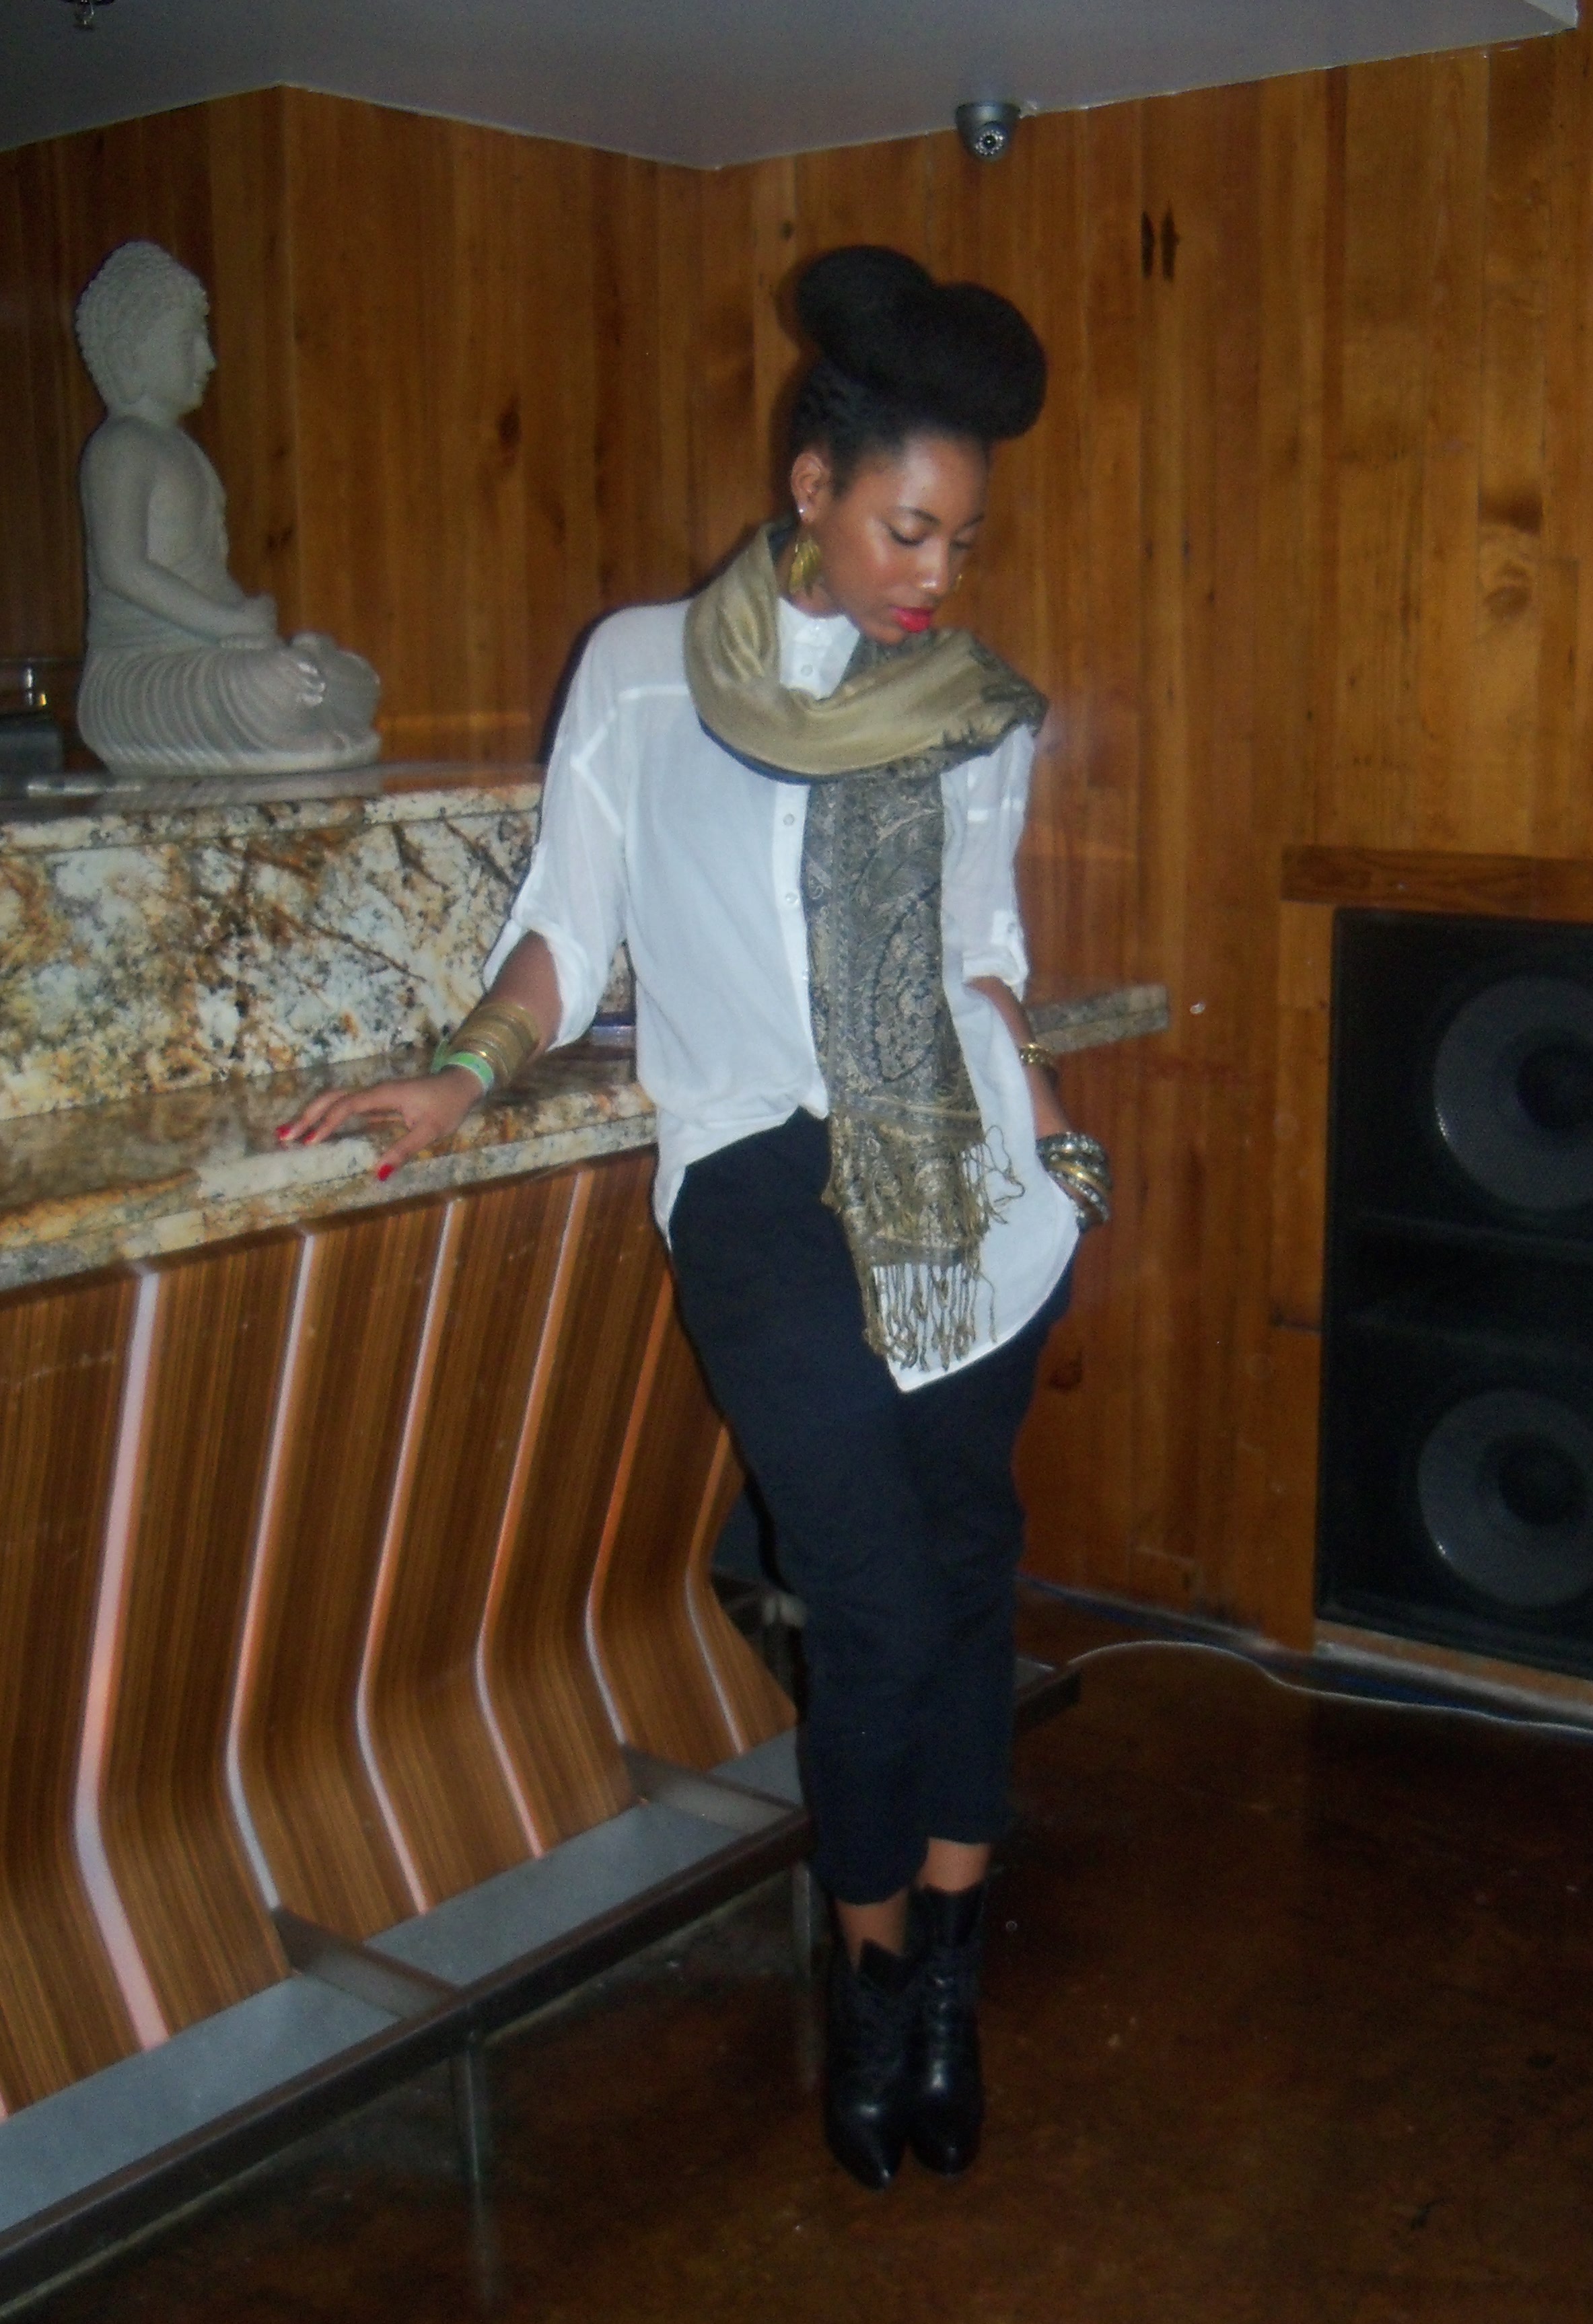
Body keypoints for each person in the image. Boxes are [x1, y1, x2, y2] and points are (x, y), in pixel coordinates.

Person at [283, 246, 1111, 2191]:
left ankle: (951, 1980)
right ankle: (868, 1972)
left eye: (964, 541)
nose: (936, 575)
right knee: (872, 1601)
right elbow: (567, 928)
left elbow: (983, 948)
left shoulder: (978, 712)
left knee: (966, 1574)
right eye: (908, 528)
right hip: (751, 1173)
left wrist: (1045, 1117)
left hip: (966, 1180)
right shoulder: (648, 672)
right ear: (811, 487)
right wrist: (466, 1067)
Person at [73, 240, 380, 775]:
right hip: (139, 675)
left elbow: (201, 570)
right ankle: (287, 713)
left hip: (210, 654)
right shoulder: (120, 447)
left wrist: (248, 629)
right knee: (269, 685)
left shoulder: (182, 449)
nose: (208, 359)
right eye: (188, 341)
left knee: (348, 678)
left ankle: (295, 706)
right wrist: (227, 622)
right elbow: (122, 569)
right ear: (132, 355)